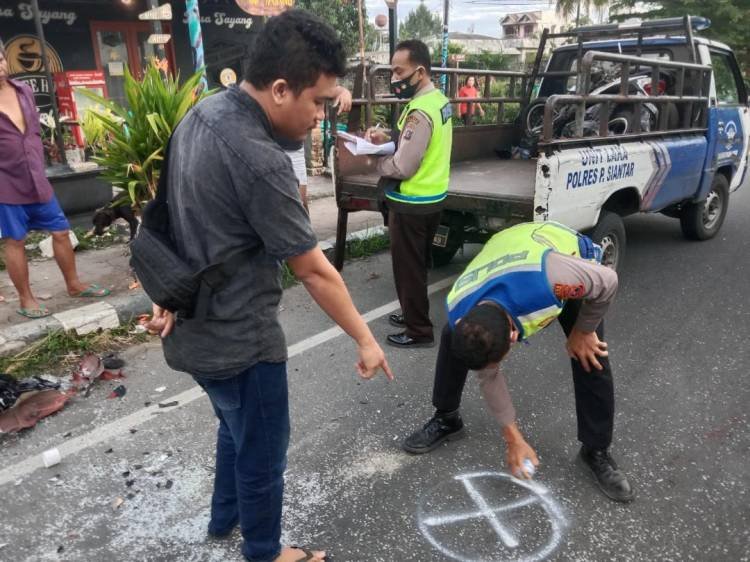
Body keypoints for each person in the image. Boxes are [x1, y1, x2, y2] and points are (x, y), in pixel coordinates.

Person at [144, 11, 393, 562]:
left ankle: (223, 518)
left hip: (194, 335)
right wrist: (365, 339)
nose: (321, 117)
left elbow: (169, 220)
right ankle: (265, 552)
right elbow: (312, 269)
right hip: (241, 344)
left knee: (234, 430)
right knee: (262, 452)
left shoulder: (201, 115)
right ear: (281, 89)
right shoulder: (261, 160)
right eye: (319, 103)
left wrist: (163, 296)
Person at [402, 221, 635, 503]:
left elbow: (608, 281)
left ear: (514, 335)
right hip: (505, 254)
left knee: (591, 355)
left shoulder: (552, 281)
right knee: (455, 338)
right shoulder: (458, 305)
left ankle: (596, 451)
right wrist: (513, 438)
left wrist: (583, 331)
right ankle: (447, 418)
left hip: (562, 260)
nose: (493, 368)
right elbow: (488, 376)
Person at [0, 40, 110, 318]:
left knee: (61, 231)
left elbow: (34, 130)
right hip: (5, 183)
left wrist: (40, 153)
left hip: (37, 178)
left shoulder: (23, 90)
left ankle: (74, 285)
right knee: (15, 240)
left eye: (0, 59)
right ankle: (27, 299)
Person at [366, 40, 453, 349]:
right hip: (433, 197)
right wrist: (387, 138)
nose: (394, 78)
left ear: (419, 71)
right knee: (418, 264)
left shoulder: (419, 111)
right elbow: (416, 145)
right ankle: (413, 314)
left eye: (398, 71)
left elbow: (403, 165)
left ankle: (419, 330)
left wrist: (375, 158)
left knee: (409, 269)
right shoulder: (439, 101)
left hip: (412, 202)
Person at [284, 86, 351, 213]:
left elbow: (325, 88)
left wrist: (343, 92)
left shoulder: (304, 76)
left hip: (294, 147)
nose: (322, 115)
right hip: (270, 144)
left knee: (300, 203)